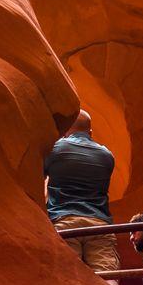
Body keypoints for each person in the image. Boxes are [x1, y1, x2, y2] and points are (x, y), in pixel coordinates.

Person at [43, 110, 120, 274]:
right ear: (90, 132)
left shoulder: (54, 150)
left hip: (65, 222)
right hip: (99, 225)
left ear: (65, 130)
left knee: (67, 278)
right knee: (107, 279)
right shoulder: (106, 156)